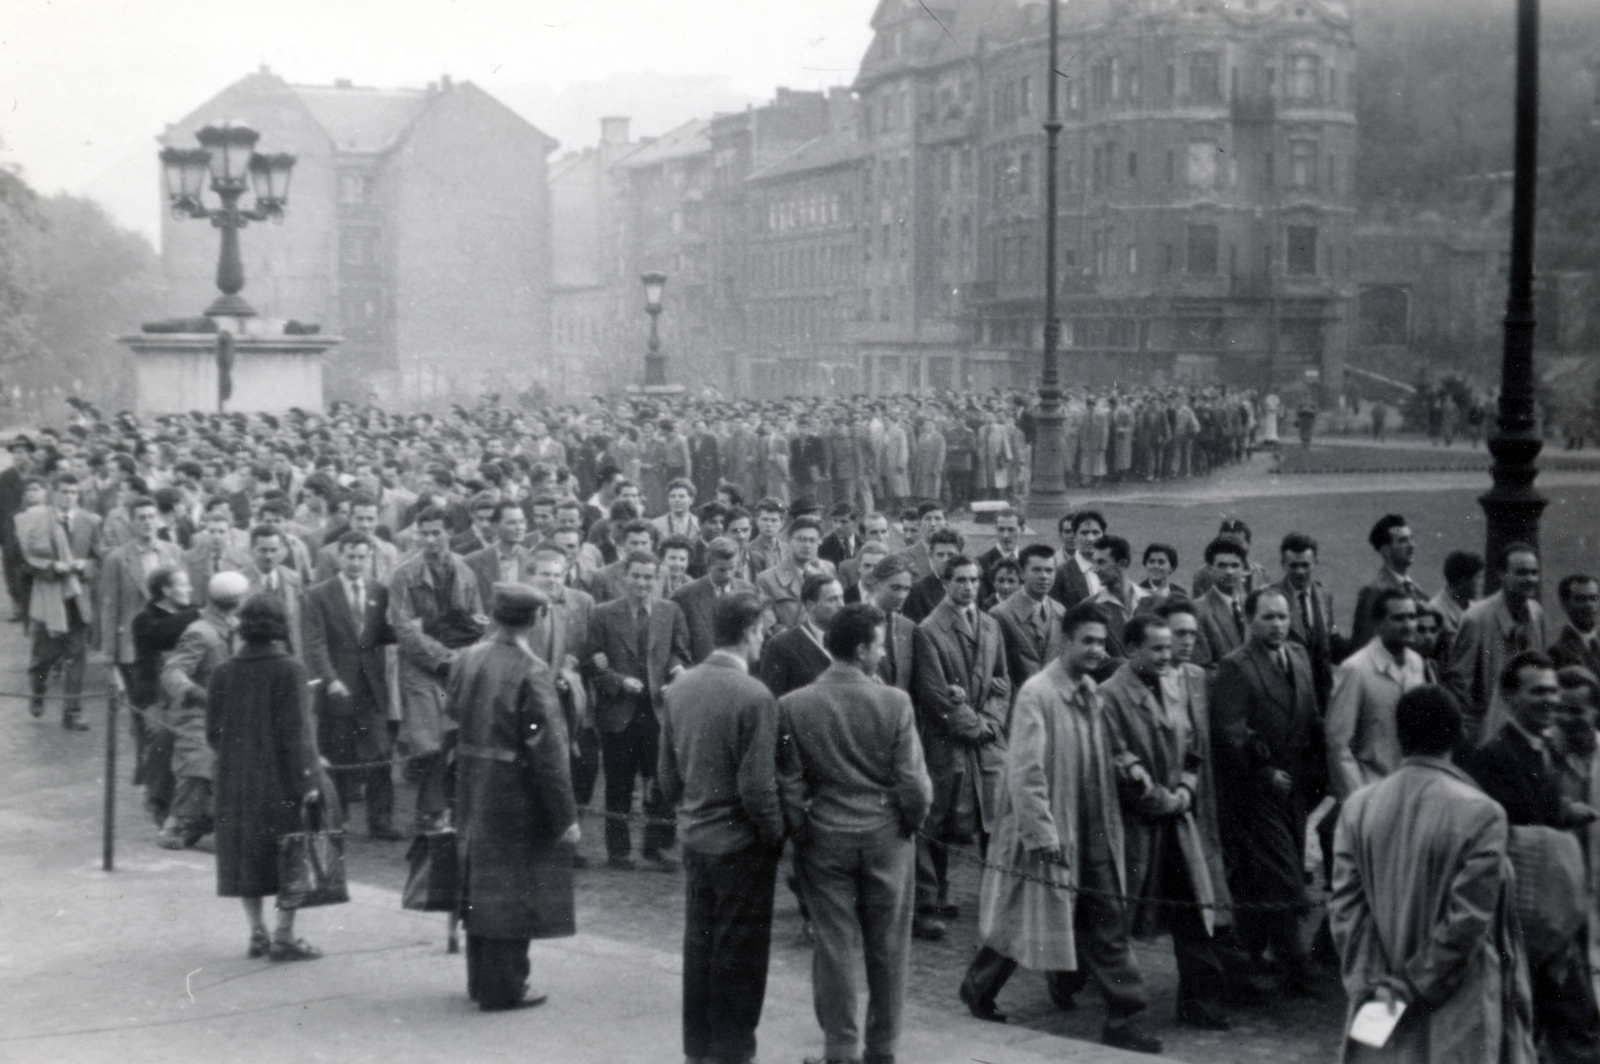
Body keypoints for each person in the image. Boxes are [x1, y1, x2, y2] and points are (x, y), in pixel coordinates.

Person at [961, 603, 1162, 1054]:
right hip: (1050, 832)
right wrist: (1043, 835)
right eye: (1086, 641)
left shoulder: (1089, 689)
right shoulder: (1038, 694)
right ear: (1065, 641)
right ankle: (979, 986)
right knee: (1024, 921)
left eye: (1100, 641)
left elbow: (1108, 745)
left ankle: (1124, 1017)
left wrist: (1129, 765)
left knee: (1106, 921)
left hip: (1093, 830)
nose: (1095, 650)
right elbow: (1025, 771)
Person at [1329, 685, 1536, 1064]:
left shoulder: (1358, 807)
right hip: (1458, 1004)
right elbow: (1468, 920)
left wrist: (1376, 982)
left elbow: (1345, 908)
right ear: (1458, 736)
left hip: (1383, 1003)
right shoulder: (1482, 812)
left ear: (1398, 735)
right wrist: (1415, 982)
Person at [778, 603, 932, 1064]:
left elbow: (789, 785)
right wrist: (911, 824)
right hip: (887, 837)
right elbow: (914, 784)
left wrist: (803, 831)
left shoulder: (793, 704)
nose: (883, 654)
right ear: (863, 649)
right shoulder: (894, 702)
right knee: (889, 950)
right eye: (880, 645)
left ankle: (839, 1050)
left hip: (824, 838)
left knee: (834, 946)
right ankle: (882, 1050)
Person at [658, 592, 784, 1064]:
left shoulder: (682, 686)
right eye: (764, 631)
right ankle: (732, 1050)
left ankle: (698, 1047)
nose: (765, 639)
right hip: (741, 844)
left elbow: (666, 775)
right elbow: (757, 787)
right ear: (750, 632)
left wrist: (690, 811)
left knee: (700, 945)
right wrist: (774, 833)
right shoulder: (755, 696)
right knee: (741, 954)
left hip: (695, 836)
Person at [447, 583, 579, 1011]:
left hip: (472, 781)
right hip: (513, 790)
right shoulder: (532, 668)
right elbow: (550, 751)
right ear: (536, 620)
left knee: (478, 881)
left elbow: (452, 710)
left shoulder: (468, 656)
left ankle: (480, 980)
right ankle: (504, 987)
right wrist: (565, 816)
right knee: (512, 887)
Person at [1462, 653, 1600, 1062]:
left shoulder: (1542, 751)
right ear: (1509, 697)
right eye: (1538, 691)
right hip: (1523, 920)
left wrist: (1563, 810)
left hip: (1553, 915)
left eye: (1554, 691)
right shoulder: (1495, 758)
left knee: (1562, 1026)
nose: (1551, 700)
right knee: (1549, 1026)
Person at [1099, 615, 1232, 1030]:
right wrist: (1163, 799)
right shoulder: (1110, 696)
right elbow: (1120, 762)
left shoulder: (1173, 684)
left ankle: (1199, 1002)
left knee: (1194, 910)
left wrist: (1186, 791)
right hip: (1136, 827)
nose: (1165, 655)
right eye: (1155, 648)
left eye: (1167, 647)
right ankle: (1072, 979)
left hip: (1177, 821)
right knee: (1114, 918)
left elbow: (1193, 744)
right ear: (1132, 648)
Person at [1211, 587, 1322, 993]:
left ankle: (1246, 957)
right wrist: (1263, 770)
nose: (1277, 625)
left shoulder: (1299, 657)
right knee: (1283, 874)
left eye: (1282, 616)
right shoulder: (1236, 666)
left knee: (1263, 877)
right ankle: (1296, 960)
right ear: (1249, 621)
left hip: (1295, 786)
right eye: (1267, 618)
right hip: (1255, 790)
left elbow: (1311, 714)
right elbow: (1230, 730)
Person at [207, 592, 324, 963]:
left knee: (246, 856)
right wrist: (309, 782)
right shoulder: (290, 670)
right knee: (291, 855)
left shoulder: (224, 671)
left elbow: (213, 732)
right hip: (281, 781)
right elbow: (298, 735)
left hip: (235, 779)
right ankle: (284, 935)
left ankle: (257, 932)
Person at [911, 553, 1010, 941]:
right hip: (948, 744)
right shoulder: (929, 629)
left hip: (987, 742)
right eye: (960, 581)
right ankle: (934, 897)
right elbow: (935, 697)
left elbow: (1003, 681)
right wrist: (976, 726)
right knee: (940, 821)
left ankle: (998, 896)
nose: (968, 587)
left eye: (973, 580)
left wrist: (992, 723)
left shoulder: (990, 624)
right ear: (946, 584)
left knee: (995, 818)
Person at [587, 549, 690, 871]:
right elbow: (591, 662)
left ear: (657, 578)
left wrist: (676, 674)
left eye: (649, 577)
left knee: (661, 780)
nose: (642, 583)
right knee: (619, 781)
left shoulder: (670, 610)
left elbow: (679, 653)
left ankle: (657, 846)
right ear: (624, 577)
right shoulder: (603, 613)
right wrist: (618, 681)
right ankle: (619, 850)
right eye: (636, 576)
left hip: (658, 709)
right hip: (620, 710)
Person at [388, 505, 485, 832]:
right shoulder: (405, 575)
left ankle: (449, 810)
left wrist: (468, 656)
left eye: (436, 533)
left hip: (460, 667)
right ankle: (430, 813)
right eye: (423, 533)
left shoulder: (465, 571)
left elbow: (477, 621)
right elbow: (404, 629)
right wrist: (443, 657)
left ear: (450, 534)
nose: (430, 540)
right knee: (429, 743)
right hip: (422, 668)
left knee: (457, 739)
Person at [301, 532, 400, 841]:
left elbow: (383, 633)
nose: (356, 563)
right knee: (338, 754)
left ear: (369, 557)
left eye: (361, 557)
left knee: (381, 754)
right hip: (337, 687)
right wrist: (330, 680)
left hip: (371, 686)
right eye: (350, 556)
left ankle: (380, 821)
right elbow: (314, 645)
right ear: (339, 557)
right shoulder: (318, 595)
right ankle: (335, 818)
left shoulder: (379, 592)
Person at [160, 570, 249, 849]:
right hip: (199, 713)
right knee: (200, 759)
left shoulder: (236, 626)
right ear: (236, 601)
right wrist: (196, 693)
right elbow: (172, 671)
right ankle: (177, 823)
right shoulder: (201, 632)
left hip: (233, 711)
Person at [1326, 589, 1431, 800]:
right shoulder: (1356, 669)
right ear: (1378, 623)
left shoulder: (1416, 663)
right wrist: (1358, 797)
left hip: (1409, 788)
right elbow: (1337, 742)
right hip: (1372, 788)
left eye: (1412, 617)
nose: (1409, 625)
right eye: (1399, 618)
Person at [20, 472, 102, 729]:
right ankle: (38, 689)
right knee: (44, 656)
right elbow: (24, 562)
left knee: (77, 655)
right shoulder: (36, 519)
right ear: (53, 493)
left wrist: (84, 565)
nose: (69, 497)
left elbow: (99, 559)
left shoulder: (90, 521)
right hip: (48, 597)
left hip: (77, 598)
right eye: (64, 492)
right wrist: (52, 568)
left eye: (74, 492)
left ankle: (72, 712)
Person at [1446, 543, 1549, 743]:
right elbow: (1459, 686)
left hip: (1528, 733)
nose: (1530, 579)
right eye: (1521, 573)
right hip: (1489, 737)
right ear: (1502, 575)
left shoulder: (1537, 614)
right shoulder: (1476, 619)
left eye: (1534, 573)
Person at [129, 567, 200, 825]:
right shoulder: (145, 618)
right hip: (154, 696)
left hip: (185, 693)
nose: (189, 589)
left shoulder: (191, 611)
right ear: (165, 591)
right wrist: (197, 614)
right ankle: (159, 798)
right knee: (164, 733)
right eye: (183, 584)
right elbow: (159, 634)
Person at [1276, 531, 1338, 712]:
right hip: (1289, 693)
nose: (1300, 572)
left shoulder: (1325, 595)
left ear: (1315, 563)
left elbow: (1329, 639)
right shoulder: (1273, 598)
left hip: (1323, 694)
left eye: (1305, 565)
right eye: (1293, 566)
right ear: (1283, 565)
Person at [671, 536, 757, 665]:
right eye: (721, 570)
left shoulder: (748, 591)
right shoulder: (684, 595)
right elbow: (677, 646)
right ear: (708, 565)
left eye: (732, 568)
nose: (728, 575)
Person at [1352, 514, 1430, 649]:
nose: (1412, 546)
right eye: (1403, 541)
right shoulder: (1374, 592)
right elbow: (1365, 646)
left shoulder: (1417, 590)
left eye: (1411, 538)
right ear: (1386, 551)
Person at [760, 574, 843, 698]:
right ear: (810, 605)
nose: (841, 605)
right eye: (832, 600)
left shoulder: (851, 639)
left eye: (841, 598)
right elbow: (774, 697)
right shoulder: (782, 645)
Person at [756, 516, 836, 632]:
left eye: (812, 540)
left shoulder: (827, 569)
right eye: (801, 539)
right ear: (789, 541)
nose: (807, 545)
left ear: (819, 542)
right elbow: (769, 624)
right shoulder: (767, 579)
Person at [1191, 536, 1250, 666]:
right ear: (1210, 569)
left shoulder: (1251, 604)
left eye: (1235, 565)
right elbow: (1203, 665)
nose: (1229, 572)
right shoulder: (1199, 609)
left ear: (1243, 569)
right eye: (1222, 565)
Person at [1429, 549, 1485, 650]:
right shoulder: (1435, 609)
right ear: (1463, 580)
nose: (1482, 583)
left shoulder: (1476, 607)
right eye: (1478, 578)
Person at [1551, 574, 1600, 676]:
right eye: (1581, 599)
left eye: (1594, 598)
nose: (1589, 605)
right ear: (1565, 604)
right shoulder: (1558, 652)